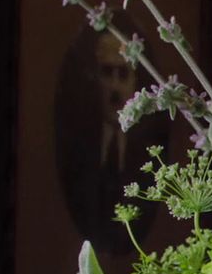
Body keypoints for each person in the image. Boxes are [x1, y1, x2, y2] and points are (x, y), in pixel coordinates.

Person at [53, 13, 171, 255]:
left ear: (135, 81)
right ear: (95, 79)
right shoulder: (76, 150)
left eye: (123, 74)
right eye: (107, 73)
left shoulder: (151, 155)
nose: (115, 87)